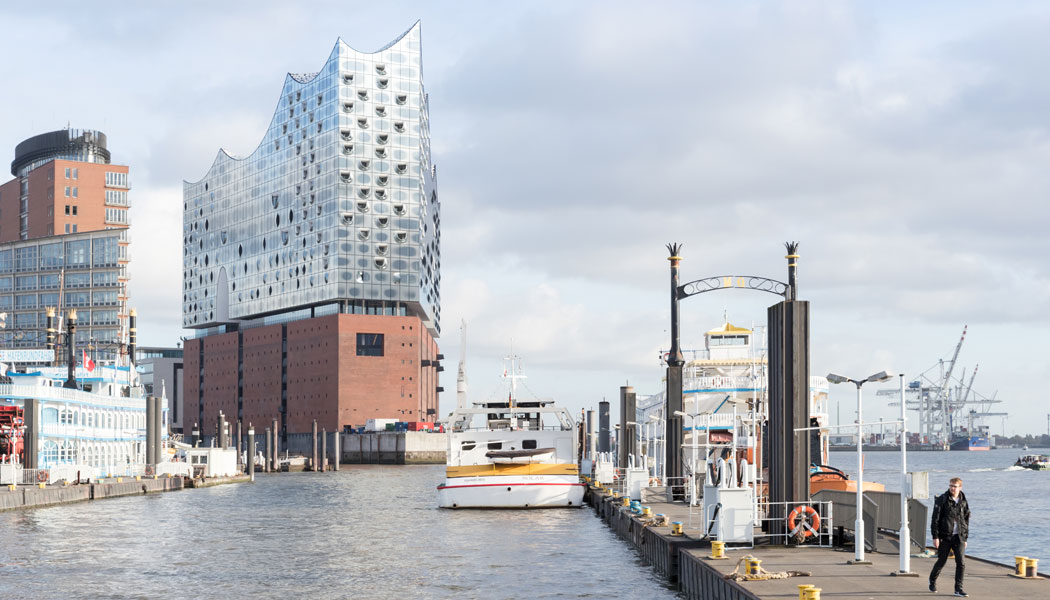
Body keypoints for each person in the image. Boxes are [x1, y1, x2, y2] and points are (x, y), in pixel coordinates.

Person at [929, 476, 970, 597]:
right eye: (951, 486)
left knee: (961, 563)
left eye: (955, 486)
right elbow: (935, 519)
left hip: (959, 537)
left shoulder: (963, 500)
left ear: (960, 487)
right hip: (945, 536)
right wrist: (935, 536)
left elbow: (966, 519)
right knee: (941, 561)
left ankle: (958, 588)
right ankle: (932, 580)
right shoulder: (942, 499)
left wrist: (965, 537)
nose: (952, 488)